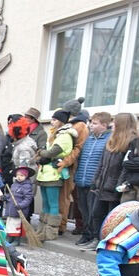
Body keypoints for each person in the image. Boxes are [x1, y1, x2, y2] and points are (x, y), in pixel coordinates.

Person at [87, 113, 138, 251]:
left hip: (114, 187)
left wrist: (119, 185)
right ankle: (98, 239)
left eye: (115, 122)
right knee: (96, 214)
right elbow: (101, 163)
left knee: (113, 218)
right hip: (102, 185)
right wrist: (96, 181)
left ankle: (110, 243)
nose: (112, 125)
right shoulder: (111, 140)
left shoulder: (131, 142)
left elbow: (125, 167)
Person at [35, 109, 77, 241]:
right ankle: (42, 229)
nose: (51, 122)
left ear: (61, 121)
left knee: (53, 204)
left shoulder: (65, 136)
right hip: (45, 174)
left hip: (54, 174)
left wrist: (41, 152)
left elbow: (50, 153)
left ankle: (51, 231)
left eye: (54, 120)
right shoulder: (55, 135)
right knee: (45, 204)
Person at [72, 112, 112, 247]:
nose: (91, 125)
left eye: (95, 123)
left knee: (93, 212)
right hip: (81, 180)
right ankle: (86, 234)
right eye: (91, 122)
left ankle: (95, 236)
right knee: (83, 210)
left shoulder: (108, 139)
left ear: (104, 125)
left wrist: (97, 180)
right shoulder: (88, 139)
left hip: (94, 182)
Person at [57, 98, 88, 236]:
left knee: (65, 197)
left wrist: (65, 161)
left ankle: (61, 225)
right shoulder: (72, 125)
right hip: (67, 166)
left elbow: (77, 148)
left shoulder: (79, 126)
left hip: (71, 167)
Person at [4, 165, 35, 244]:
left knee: (16, 224)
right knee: (10, 223)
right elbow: (11, 195)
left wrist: (21, 205)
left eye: (22, 175)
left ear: (26, 176)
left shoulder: (27, 186)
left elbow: (28, 199)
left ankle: (17, 240)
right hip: (11, 208)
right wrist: (6, 197)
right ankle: (9, 237)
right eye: (18, 175)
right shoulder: (14, 185)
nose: (19, 177)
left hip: (19, 209)